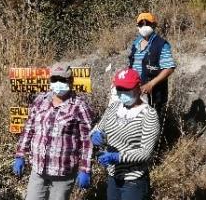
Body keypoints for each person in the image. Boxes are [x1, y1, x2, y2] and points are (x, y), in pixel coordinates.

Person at [12, 65, 94, 200]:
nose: (58, 83)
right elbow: (29, 129)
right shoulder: (40, 100)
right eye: (55, 79)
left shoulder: (79, 106)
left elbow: (87, 141)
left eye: (62, 80)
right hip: (38, 169)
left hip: (63, 173)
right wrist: (20, 155)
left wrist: (85, 169)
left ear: (71, 81)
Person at [92, 68, 159, 200]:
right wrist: (95, 136)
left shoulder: (149, 115)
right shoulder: (113, 108)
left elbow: (145, 152)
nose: (122, 93)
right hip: (113, 176)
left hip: (133, 181)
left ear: (138, 87)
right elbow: (98, 129)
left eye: (127, 89)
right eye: (119, 89)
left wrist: (118, 157)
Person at [127, 12, 175, 115]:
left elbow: (169, 68)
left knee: (154, 121)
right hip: (136, 92)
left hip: (155, 93)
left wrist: (151, 84)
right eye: (141, 24)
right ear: (137, 26)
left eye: (147, 23)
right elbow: (131, 66)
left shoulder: (161, 44)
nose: (144, 27)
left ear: (154, 25)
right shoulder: (135, 44)